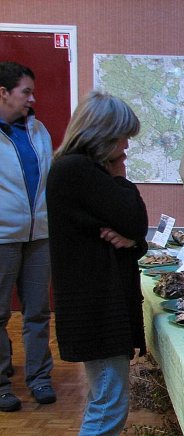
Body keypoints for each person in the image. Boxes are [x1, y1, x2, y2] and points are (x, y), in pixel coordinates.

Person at [46, 91, 149, 436]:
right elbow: (134, 217)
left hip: (101, 304)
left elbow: (132, 235)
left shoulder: (83, 171)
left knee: (105, 403)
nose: (124, 151)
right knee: (107, 407)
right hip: (94, 307)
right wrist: (122, 184)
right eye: (122, 141)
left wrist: (129, 240)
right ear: (102, 135)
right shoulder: (76, 170)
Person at [0, 61, 56, 412]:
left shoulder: (39, 131)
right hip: (3, 238)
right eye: (25, 92)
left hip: (40, 237)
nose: (32, 99)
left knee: (37, 311)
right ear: (3, 93)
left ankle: (40, 378)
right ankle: (2, 384)